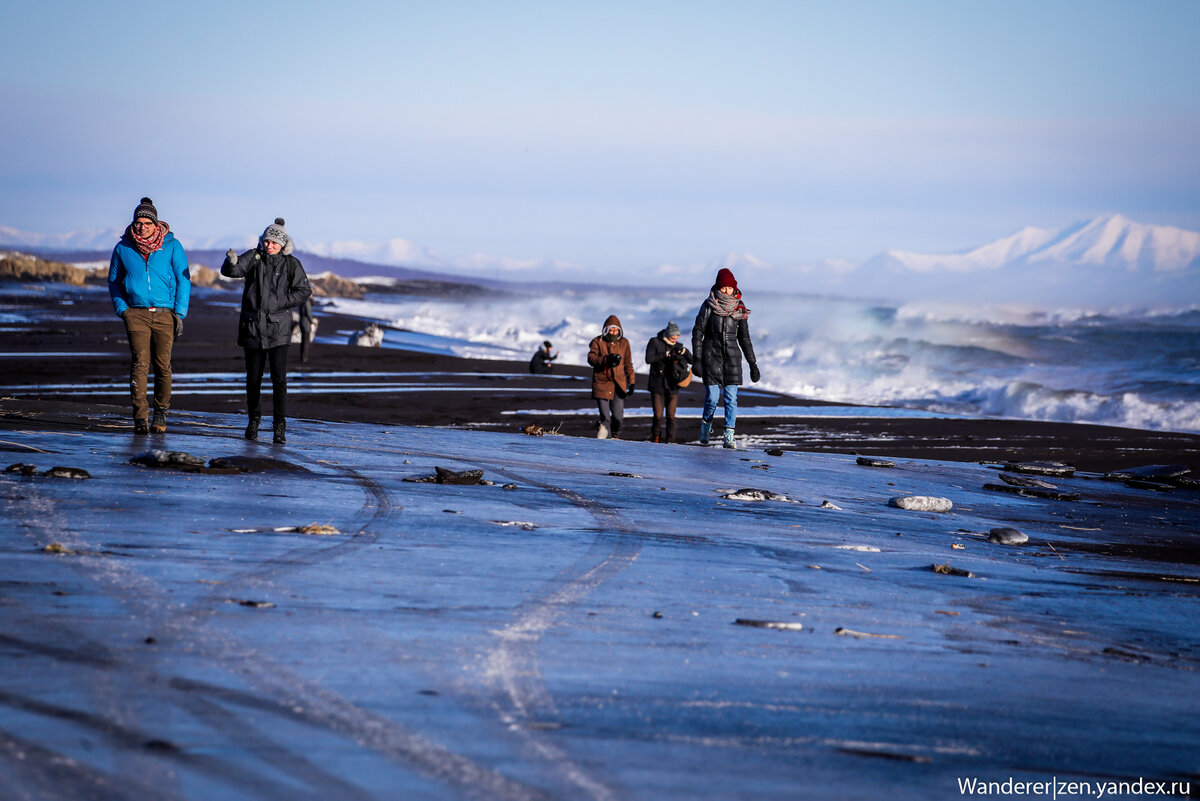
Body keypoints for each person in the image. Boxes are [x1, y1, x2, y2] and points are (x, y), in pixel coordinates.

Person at [222, 218, 312, 444]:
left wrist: (281, 301)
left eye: (273, 242)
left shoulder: (292, 264)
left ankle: (279, 427)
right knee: (253, 379)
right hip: (252, 328)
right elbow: (233, 272)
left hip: (278, 330)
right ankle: (253, 422)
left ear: (282, 244)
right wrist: (230, 262)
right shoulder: (254, 257)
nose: (269, 245)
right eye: (266, 240)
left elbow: (304, 290)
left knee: (279, 380)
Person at [107, 197, 190, 435]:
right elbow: (114, 281)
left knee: (163, 366)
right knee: (139, 365)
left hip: (166, 314)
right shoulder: (123, 247)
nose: (142, 226)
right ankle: (140, 418)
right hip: (136, 314)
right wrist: (123, 309)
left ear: (156, 224)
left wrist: (179, 312)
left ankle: (161, 413)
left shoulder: (172, 245)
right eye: (138, 222)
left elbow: (184, 278)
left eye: (146, 222)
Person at [691, 268, 760, 449]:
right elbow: (698, 332)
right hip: (711, 357)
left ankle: (729, 436)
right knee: (712, 399)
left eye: (730, 288)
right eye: (724, 287)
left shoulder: (739, 308)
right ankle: (706, 426)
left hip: (732, 359)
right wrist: (696, 359)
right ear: (718, 287)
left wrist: (753, 363)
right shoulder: (709, 305)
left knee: (731, 398)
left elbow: (744, 338)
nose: (727, 291)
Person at [587, 315, 635, 439]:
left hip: (619, 383)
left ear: (620, 330)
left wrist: (632, 382)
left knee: (618, 417)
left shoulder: (624, 343)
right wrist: (606, 359)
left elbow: (628, 363)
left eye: (616, 330)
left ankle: (615, 435)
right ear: (606, 330)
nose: (614, 332)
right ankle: (606, 442)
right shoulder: (598, 341)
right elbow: (591, 358)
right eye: (611, 330)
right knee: (605, 417)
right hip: (601, 382)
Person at [644, 321, 692, 443]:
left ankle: (671, 441)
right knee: (658, 415)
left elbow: (692, 361)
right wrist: (664, 354)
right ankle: (655, 438)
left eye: (677, 337)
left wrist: (685, 351)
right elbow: (648, 359)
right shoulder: (654, 342)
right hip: (657, 385)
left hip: (673, 386)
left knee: (671, 416)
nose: (674, 340)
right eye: (672, 337)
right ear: (667, 334)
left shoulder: (678, 346)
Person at [297, 296, 314, 363]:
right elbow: (308, 313)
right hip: (306, 323)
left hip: (302, 321)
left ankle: (303, 357)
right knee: (306, 341)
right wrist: (311, 322)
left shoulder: (303, 300)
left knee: (304, 340)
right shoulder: (306, 301)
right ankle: (304, 358)